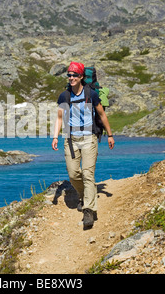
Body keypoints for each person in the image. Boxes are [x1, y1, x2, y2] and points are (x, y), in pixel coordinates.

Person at [52, 61, 115, 230]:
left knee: (88, 174)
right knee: (73, 174)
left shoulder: (91, 94)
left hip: (89, 138)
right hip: (71, 139)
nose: (71, 78)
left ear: (81, 77)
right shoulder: (64, 96)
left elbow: (101, 115)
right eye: (69, 75)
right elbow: (59, 118)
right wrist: (55, 137)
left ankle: (89, 210)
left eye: (74, 75)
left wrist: (110, 135)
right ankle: (83, 195)